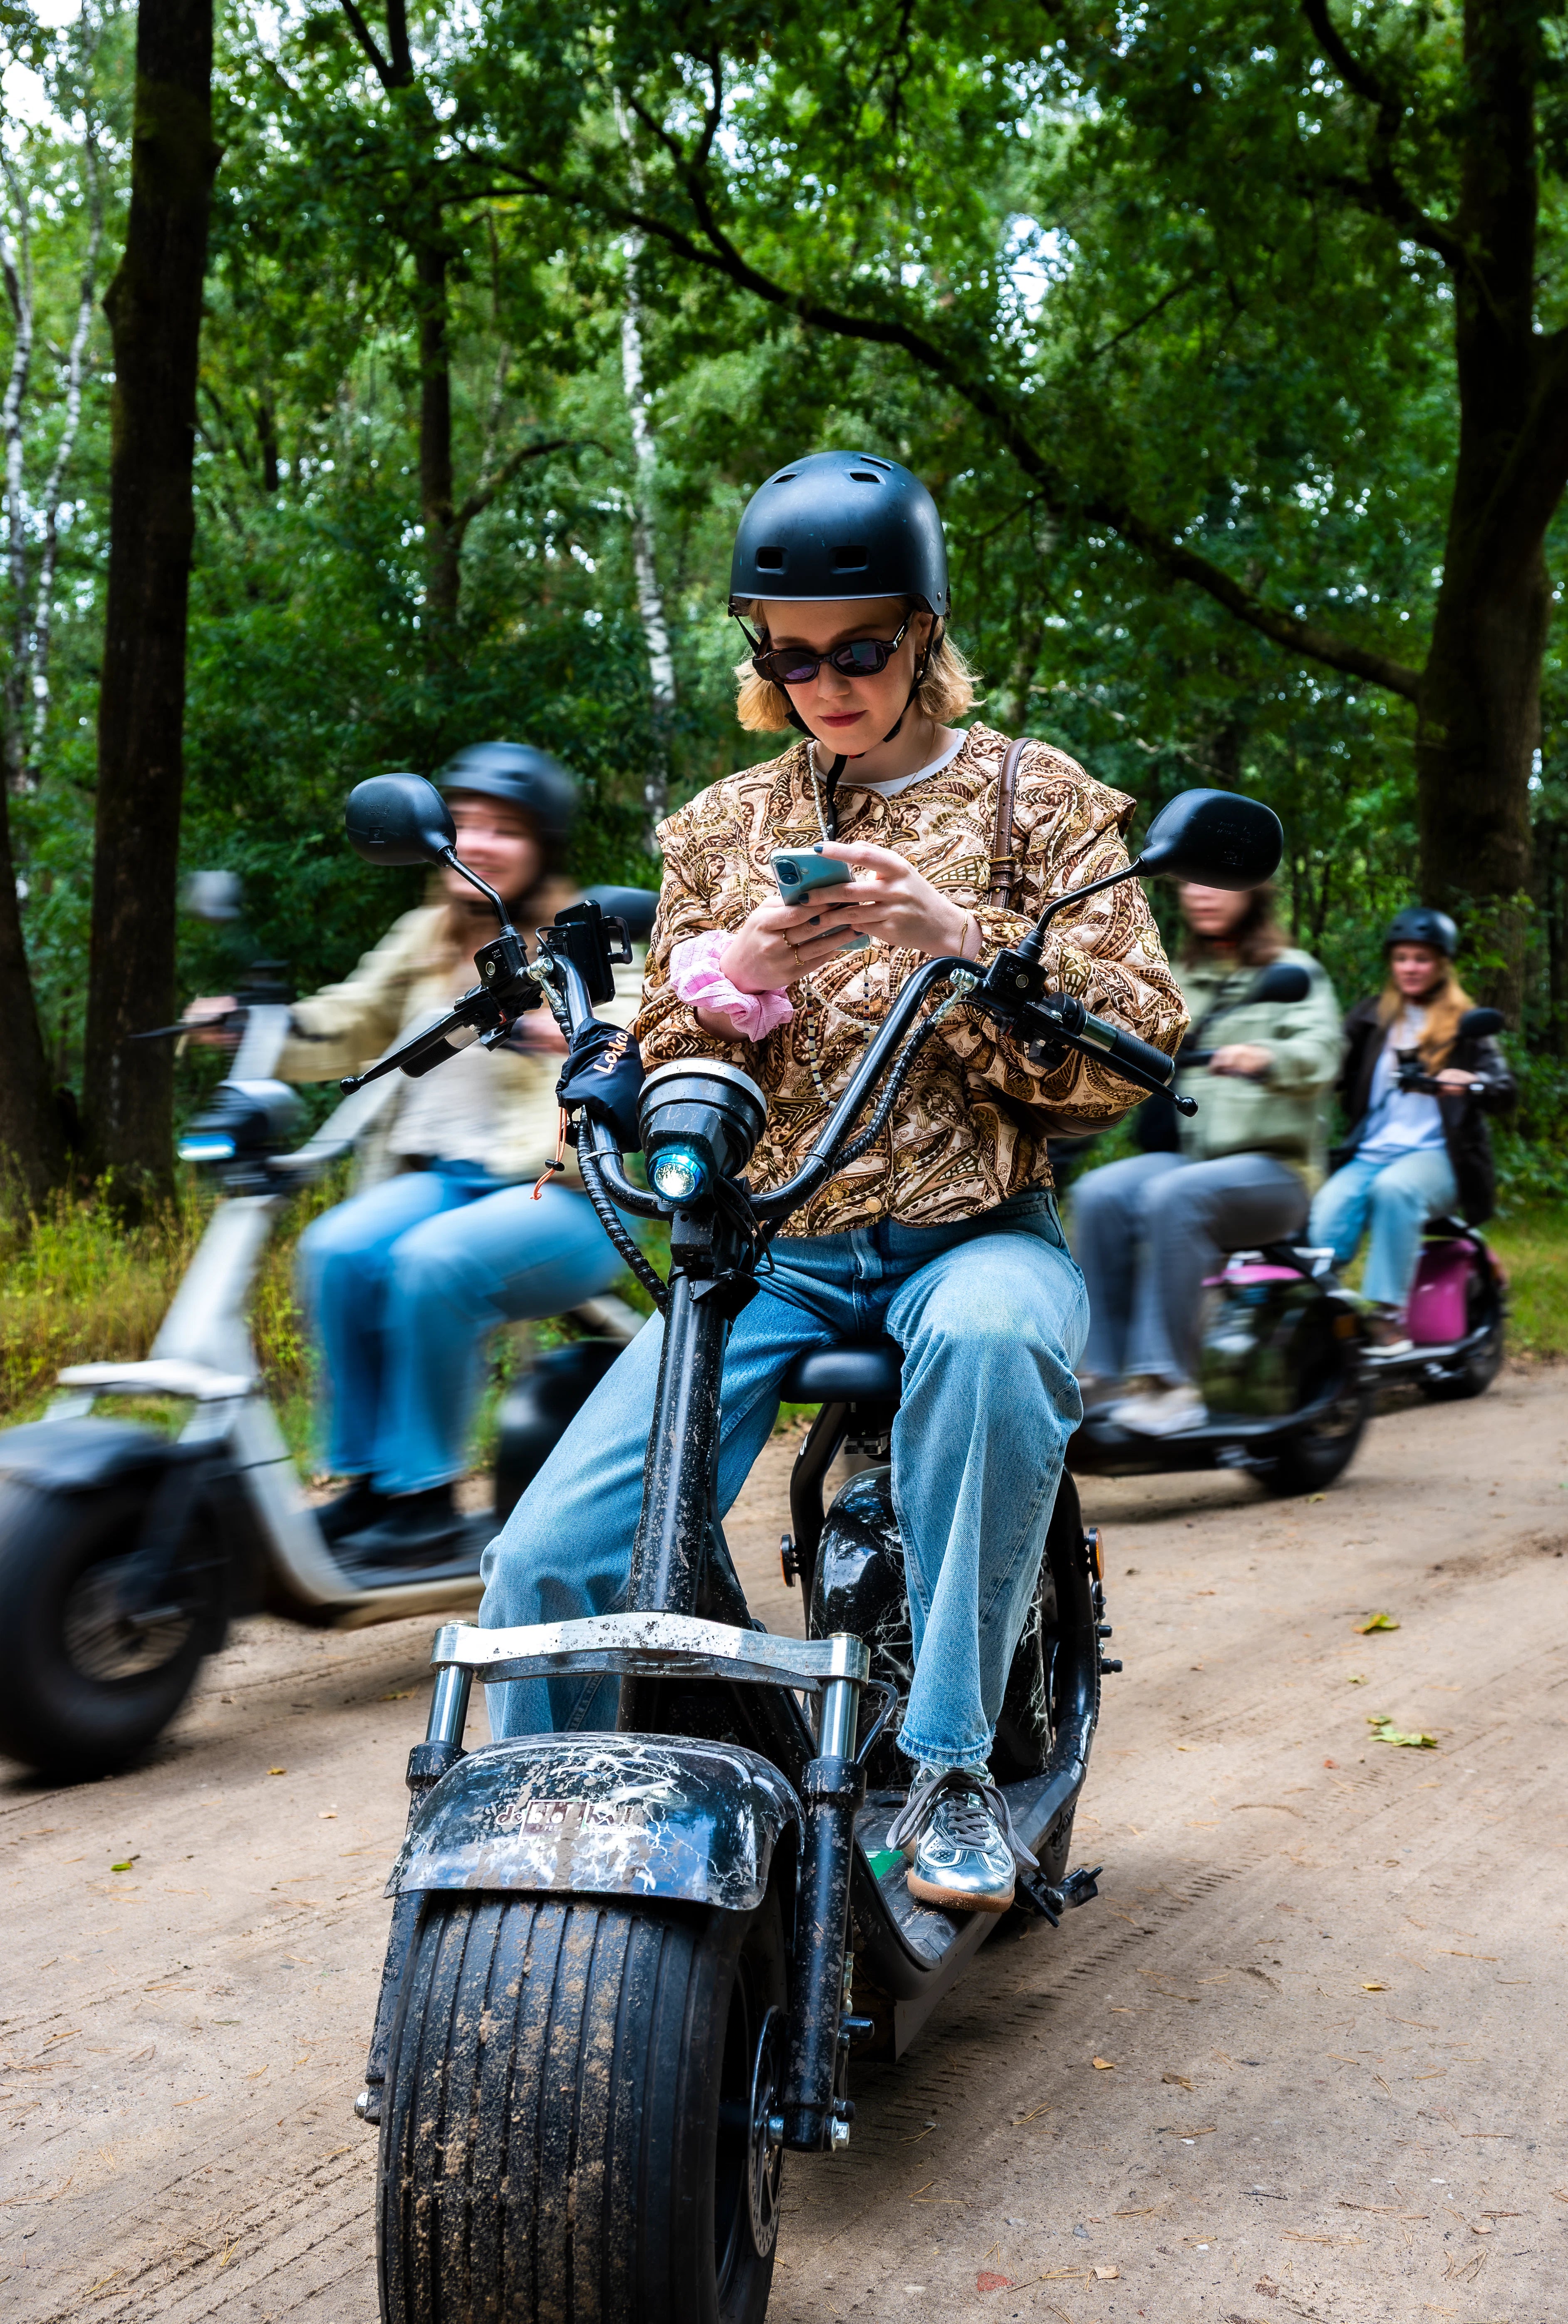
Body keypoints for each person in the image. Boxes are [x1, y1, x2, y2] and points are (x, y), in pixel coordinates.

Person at [480, 449, 1186, 1915]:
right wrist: (730, 974)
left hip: (972, 1231)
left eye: (859, 647)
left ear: (923, 634)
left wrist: (963, 943)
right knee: (548, 1559)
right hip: (771, 1250)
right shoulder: (725, 825)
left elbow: (1135, 1050)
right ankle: (528, 1858)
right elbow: (639, 1039)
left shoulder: (1033, 803)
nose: (826, 682)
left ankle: (945, 1767)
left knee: (996, 1343)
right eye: (790, 657)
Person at [187, 743, 636, 1563]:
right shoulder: (423, 934)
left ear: (544, 845)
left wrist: (561, 1030)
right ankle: (367, 1486)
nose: (483, 840)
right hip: (442, 1180)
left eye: (508, 827)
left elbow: (637, 1031)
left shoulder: (587, 932)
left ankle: (426, 1499)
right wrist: (255, 1025)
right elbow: (348, 1020)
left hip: (567, 1197)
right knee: (337, 1249)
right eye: (468, 821)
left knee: (434, 1263)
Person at [1070, 879, 1341, 1435]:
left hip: (1276, 1173)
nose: (1203, 894)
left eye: (1219, 883)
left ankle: (1170, 1385)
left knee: (1176, 1195)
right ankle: (1102, 1375)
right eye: (1192, 882)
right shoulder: (1183, 979)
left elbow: (1322, 1053)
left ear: (1254, 893)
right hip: (1196, 1163)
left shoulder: (1294, 972)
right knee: (1098, 1194)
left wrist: (1267, 1057)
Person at [1309, 906, 1515, 1352]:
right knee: (1328, 1209)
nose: (1410, 968)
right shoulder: (1372, 1017)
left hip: (1441, 1158)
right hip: (1372, 1152)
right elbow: (1329, 1068)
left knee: (1395, 1190)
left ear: (1441, 963)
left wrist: (1472, 1083)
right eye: (1402, 958)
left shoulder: (1466, 1024)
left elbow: (1504, 1090)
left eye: (1421, 958)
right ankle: (1321, 1319)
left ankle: (1387, 1317)